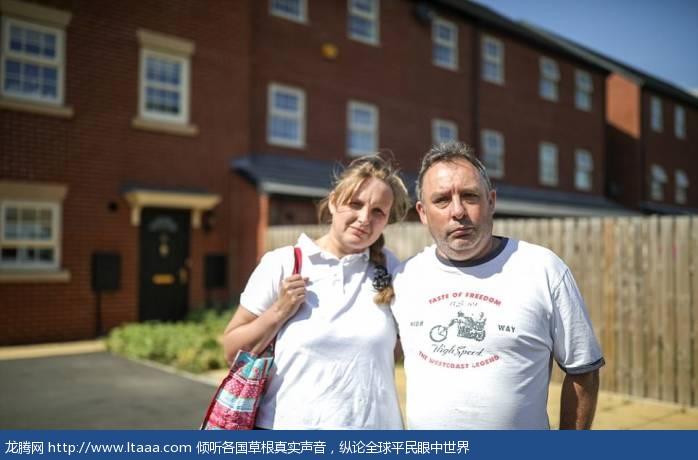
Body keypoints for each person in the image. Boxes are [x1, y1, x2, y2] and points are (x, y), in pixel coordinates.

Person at [391, 141, 604, 430]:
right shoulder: (405, 278)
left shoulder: (542, 269)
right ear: (423, 212)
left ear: (491, 201)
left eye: (470, 196)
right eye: (442, 200)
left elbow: (584, 372)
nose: (458, 211)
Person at [222, 154, 410, 429]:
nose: (364, 218)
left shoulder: (395, 270)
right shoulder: (283, 263)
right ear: (334, 202)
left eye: (378, 212)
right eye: (355, 204)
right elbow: (231, 351)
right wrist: (278, 312)